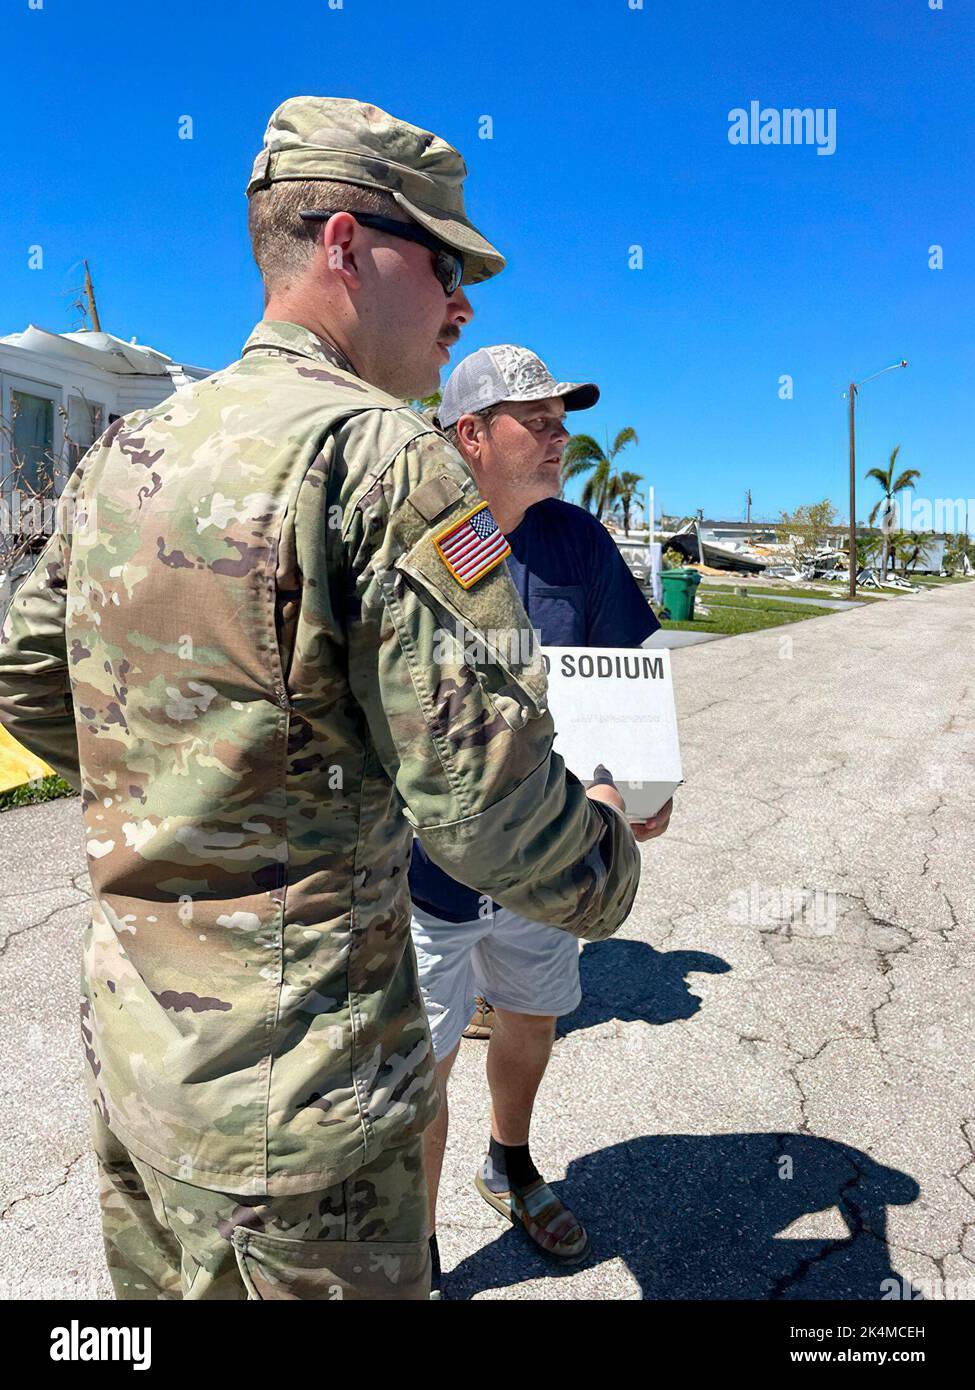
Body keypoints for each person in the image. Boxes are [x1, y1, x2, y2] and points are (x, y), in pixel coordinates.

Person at [0, 97, 642, 1302]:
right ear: (345, 245)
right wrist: (606, 853)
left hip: (144, 1070)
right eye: (446, 263)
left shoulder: (121, 455)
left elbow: (33, 682)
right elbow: (482, 803)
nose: (464, 303)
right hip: (308, 1116)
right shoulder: (390, 460)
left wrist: (192, 788)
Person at [410, 346, 672, 1287]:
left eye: (565, 417)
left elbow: (630, 672)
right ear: (470, 433)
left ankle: (509, 1161)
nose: (562, 434)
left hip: (550, 856)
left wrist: (639, 783)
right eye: (538, 418)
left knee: (529, 1016)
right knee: (423, 1066)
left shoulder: (577, 542)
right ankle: (422, 1244)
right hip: (424, 870)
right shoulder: (420, 540)